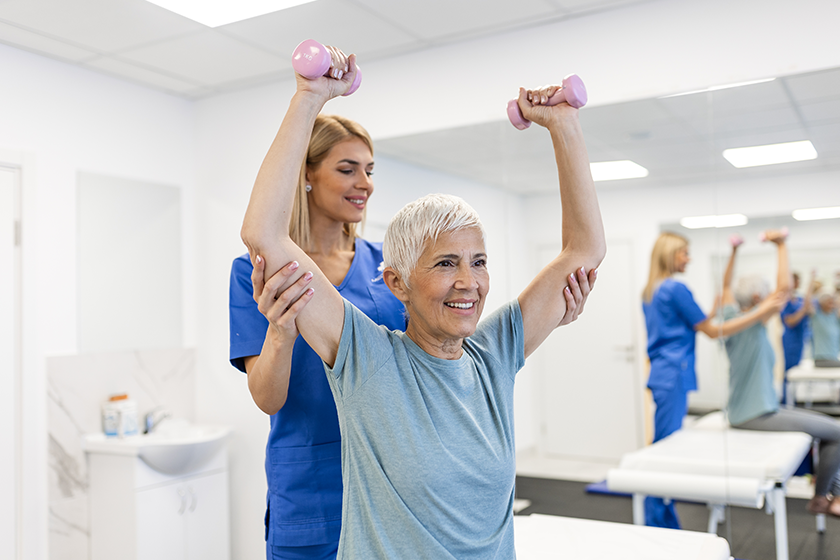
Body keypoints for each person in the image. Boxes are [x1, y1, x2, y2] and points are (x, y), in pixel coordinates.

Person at [240, 46, 605, 559]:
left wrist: (564, 127)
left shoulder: (493, 353)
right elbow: (264, 234)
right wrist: (310, 97)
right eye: (444, 264)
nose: (469, 283)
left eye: (478, 262)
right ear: (395, 284)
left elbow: (584, 251)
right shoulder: (368, 359)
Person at [229, 108, 408, 558]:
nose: (364, 183)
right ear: (305, 176)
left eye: (369, 170)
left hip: (393, 479)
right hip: (310, 489)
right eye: (347, 169)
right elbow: (268, 398)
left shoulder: (388, 267)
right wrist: (280, 330)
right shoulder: (260, 271)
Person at [640, 232, 782, 529]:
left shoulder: (653, 290)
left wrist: (731, 257)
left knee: (663, 443)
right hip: (673, 374)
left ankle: (662, 518)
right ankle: (659, 524)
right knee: (663, 448)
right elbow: (712, 331)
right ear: (669, 255)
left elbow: (696, 321)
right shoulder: (676, 288)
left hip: (664, 373)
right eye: (684, 253)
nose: (688, 258)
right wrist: (761, 313)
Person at [720, 229, 840, 517]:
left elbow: (725, 288)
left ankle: (830, 494)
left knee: (828, 428)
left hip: (750, 409)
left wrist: (734, 253)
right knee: (837, 432)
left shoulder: (729, 317)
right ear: (760, 297)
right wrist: (781, 246)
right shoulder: (753, 322)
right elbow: (784, 290)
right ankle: (822, 498)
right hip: (755, 414)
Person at [780, 271, 815, 403]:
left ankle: (796, 400)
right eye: (796, 280)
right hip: (790, 341)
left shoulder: (800, 299)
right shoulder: (785, 301)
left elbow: (810, 309)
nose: (798, 283)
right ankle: (786, 401)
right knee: (789, 372)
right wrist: (803, 310)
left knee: (800, 371)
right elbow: (790, 321)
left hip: (801, 339)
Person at [811, 288, 840, 367]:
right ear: (822, 304)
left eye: (832, 302)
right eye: (829, 302)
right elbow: (807, 303)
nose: (831, 304)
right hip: (822, 359)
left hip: (834, 358)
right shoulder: (817, 317)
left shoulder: (835, 318)